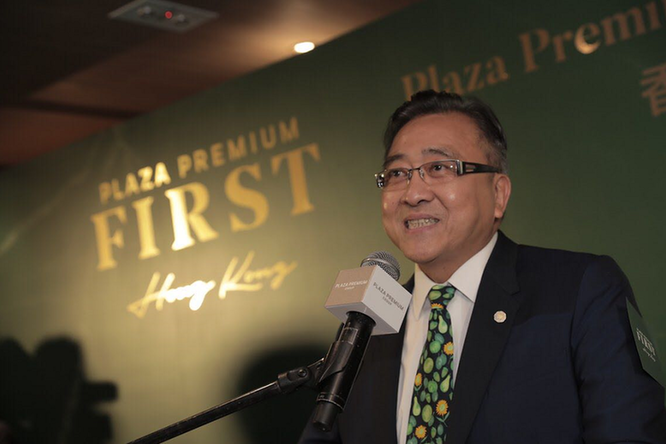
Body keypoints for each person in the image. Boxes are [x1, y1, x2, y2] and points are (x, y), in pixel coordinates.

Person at [299, 90, 666, 444]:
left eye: (438, 167)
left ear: (498, 193)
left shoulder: (581, 290)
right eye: (397, 173)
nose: (413, 194)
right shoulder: (367, 328)